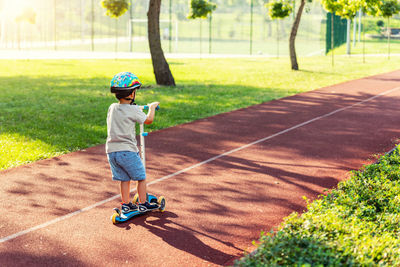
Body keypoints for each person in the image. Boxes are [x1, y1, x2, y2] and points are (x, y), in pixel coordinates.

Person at [106, 71, 159, 214]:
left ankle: (126, 204)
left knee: (124, 178)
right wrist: (152, 108)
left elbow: (124, 113)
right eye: (134, 91)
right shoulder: (133, 109)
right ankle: (143, 204)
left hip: (112, 151)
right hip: (127, 151)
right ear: (130, 94)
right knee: (141, 177)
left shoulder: (112, 107)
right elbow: (148, 120)